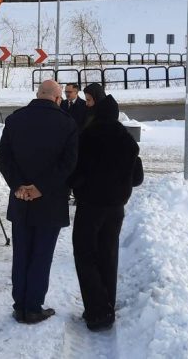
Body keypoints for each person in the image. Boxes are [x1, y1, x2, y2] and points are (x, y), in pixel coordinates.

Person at [0, 80, 78, 324]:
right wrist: (40, 188)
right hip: (50, 201)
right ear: (57, 98)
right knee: (42, 255)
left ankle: (20, 304)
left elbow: (4, 157)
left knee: (21, 253)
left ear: (38, 94)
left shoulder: (15, 120)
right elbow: (68, 164)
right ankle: (33, 306)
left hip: (20, 199)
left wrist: (18, 185)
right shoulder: (67, 124)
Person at [69, 93, 142, 331]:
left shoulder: (87, 137)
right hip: (116, 208)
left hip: (90, 206)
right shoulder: (128, 141)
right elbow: (137, 178)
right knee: (108, 254)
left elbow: (75, 172)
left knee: (85, 255)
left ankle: (97, 311)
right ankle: (108, 303)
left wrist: (79, 186)